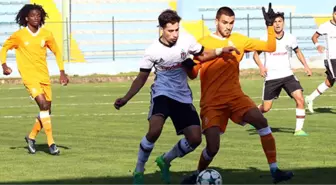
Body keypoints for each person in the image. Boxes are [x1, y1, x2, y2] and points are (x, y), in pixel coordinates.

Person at [113, 9, 240, 185]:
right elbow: (141, 78)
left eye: (177, 29)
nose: (174, 34)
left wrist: (220, 50)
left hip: (182, 96)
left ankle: (165, 160)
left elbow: (202, 55)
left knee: (195, 139)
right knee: (155, 130)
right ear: (162, 29)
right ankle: (139, 170)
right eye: (170, 30)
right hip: (162, 93)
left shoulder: (186, 40)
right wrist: (126, 98)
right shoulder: (152, 51)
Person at [180, 4, 293, 185]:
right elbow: (193, 74)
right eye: (225, 22)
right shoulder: (202, 43)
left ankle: (275, 171)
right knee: (213, 147)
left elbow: (270, 47)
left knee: (261, 122)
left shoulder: (239, 39)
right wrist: (187, 65)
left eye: (231, 23)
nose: (228, 26)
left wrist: (270, 26)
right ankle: (196, 175)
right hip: (212, 103)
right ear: (216, 21)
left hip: (235, 97)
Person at [0, 3, 69, 155]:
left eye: (38, 15)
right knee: (43, 105)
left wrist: (62, 72)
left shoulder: (46, 34)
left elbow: (57, 52)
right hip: (29, 76)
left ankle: (31, 137)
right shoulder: (19, 35)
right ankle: (51, 144)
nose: (36, 18)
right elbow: (4, 48)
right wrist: (4, 65)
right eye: (32, 15)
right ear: (26, 18)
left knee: (47, 110)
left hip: (44, 75)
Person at [253, 12, 312, 136]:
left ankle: (298, 130)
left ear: (283, 23)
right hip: (272, 78)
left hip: (288, 75)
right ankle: (250, 114)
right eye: (275, 22)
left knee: (300, 98)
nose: (277, 24)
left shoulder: (290, 37)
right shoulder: (265, 38)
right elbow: (255, 55)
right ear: (271, 24)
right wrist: (261, 67)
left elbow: (298, 51)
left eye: (280, 21)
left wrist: (306, 66)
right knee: (266, 108)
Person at [305, 6, 336, 113]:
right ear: (333, 14)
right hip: (331, 58)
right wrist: (318, 45)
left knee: (329, 82)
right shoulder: (325, 26)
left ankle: (310, 98)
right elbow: (314, 37)